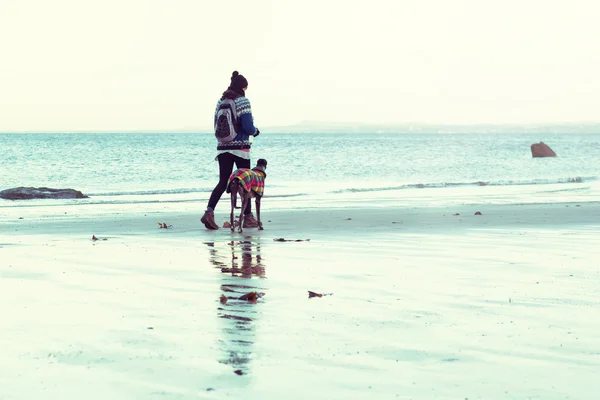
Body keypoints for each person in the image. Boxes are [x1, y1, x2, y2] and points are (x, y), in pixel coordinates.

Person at [201, 71, 261, 230]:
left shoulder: (220, 102)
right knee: (245, 183)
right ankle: (248, 218)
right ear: (243, 87)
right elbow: (248, 127)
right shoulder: (243, 101)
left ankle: (209, 212)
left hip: (222, 148)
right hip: (240, 148)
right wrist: (255, 131)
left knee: (223, 181)